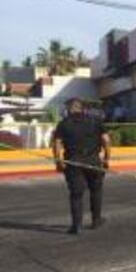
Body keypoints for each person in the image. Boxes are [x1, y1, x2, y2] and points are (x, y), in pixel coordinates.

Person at [52, 98, 111, 234]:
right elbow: (106, 140)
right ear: (82, 108)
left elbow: (57, 143)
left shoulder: (63, 124)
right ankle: (96, 220)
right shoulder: (95, 121)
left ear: (70, 108)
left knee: (76, 194)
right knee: (96, 190)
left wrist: (58, 162)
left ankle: (76, 225)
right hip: (94, 162)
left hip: (73, 163)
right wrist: (107, 159)